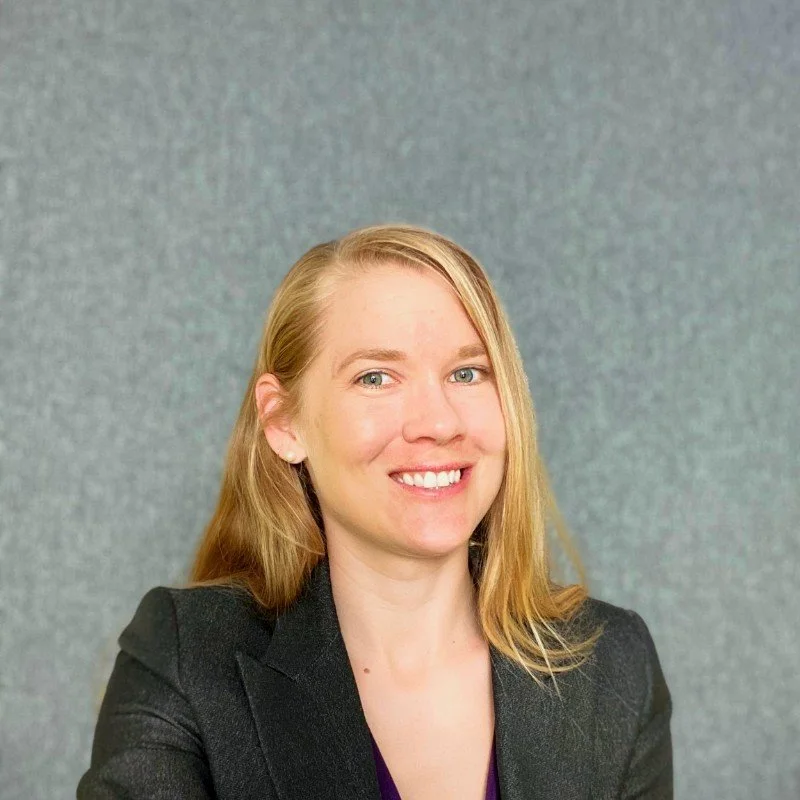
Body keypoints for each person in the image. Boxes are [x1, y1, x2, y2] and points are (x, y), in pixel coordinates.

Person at [77, 224, 673, 799]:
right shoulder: (186, 661)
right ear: (284, 423)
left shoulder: (614, 666)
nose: (438, 422)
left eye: (467, 373)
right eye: (377, 377)